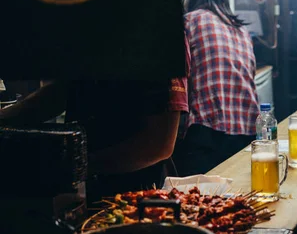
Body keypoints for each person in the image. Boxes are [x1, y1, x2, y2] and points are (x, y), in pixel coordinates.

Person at [0, 75, 189, 203]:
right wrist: (4, 117)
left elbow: (159, 144)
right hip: (84, 186)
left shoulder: (156, 32)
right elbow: (61, 91)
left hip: (137, 191)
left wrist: (80, 168)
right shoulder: (92, 36)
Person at [174, 0, 260, 177]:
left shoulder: (189, 21)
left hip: (208, 130)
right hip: (247, 130)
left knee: (200, 201)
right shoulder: (242, 30)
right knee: (237, 199)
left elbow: (179, 73)